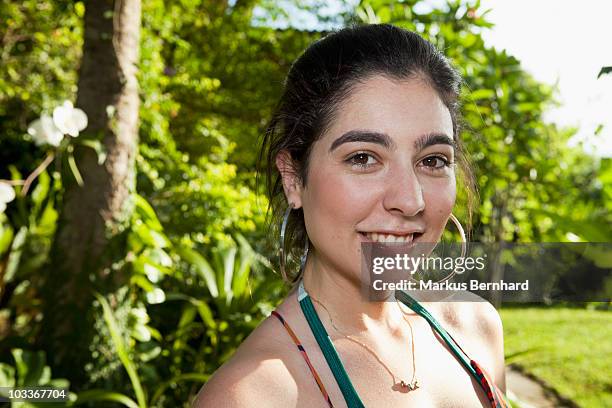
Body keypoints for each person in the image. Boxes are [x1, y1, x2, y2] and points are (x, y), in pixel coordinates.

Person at [193, 23, 509, 407]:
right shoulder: (254, 395)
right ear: (293, 178)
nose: (409, 201)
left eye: (432, 160)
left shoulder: (475, 328)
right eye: (363, 158)